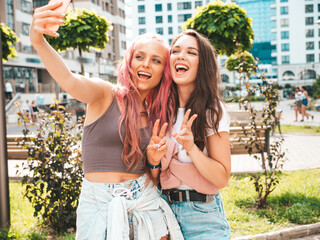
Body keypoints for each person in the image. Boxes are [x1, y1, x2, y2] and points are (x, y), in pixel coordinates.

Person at [30, 2, 183, 239]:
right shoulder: (105, 94)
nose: (145, 64)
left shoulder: (157, 115)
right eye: (139, 56)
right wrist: (39, 41)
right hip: (99, 204)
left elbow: (153, 175)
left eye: (155, 60)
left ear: (164, 71)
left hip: (144, 201)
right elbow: (69, 80)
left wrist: (153, 161)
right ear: (129, 61)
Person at [151, 29, 232, 239]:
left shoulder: (212, 110)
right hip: (163, 214)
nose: (180, 56)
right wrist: (153, 161)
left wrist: (191, 148)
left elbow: (221, 178)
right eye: (175, 51)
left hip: (202, 217)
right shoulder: (160, 109)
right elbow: (153, 175)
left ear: (202, 64)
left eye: (191, 52)